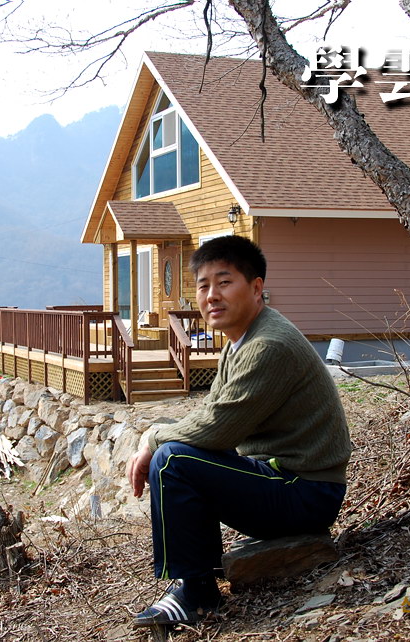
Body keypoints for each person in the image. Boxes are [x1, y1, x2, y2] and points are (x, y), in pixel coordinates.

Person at [126, 235, 352, 627]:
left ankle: (195, 594)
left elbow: (216, 429)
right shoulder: (241, 341)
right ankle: (199, 572)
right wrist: (159, 433)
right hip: (286, 481)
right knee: (179, 453)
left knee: (172, 460)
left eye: (224, 281)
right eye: (203, 285)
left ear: (257, 287)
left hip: (305, 492)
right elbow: (213, 411)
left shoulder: (268, 345)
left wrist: (151, 438)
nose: (211, 295)